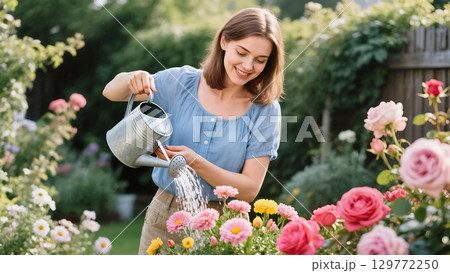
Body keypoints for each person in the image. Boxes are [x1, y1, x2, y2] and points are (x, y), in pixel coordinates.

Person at [102, 7, 284, 254]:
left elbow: (250, 189)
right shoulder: (181, 82)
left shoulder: (264, 109)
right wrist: (131, 78)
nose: (248, 65)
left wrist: (195, 161)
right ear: (224, 41)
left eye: (260, 60)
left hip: (224, 226)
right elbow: (111, 92)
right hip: (165, 215)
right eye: (242, 52)